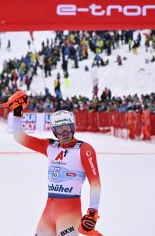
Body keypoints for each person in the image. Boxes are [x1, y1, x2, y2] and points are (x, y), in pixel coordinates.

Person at [9, 91, 102, 236]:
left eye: (67, 127)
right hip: (49, 211)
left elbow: (95, 184)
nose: (65, 132)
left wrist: (92, 212)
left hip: (69, 212)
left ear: (73, 127)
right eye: (60, 129)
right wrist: (17, 112)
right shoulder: (50, 146)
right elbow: (19, 137)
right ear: (54, 131)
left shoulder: (85, 149)